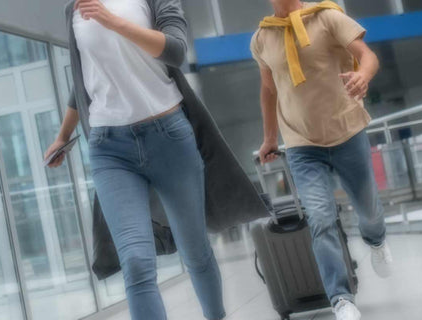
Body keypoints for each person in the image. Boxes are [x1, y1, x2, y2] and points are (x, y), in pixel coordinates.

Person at [46, 0, 268, 319]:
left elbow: (175, 51)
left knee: (195, 252)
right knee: (136, 262)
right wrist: (63, 135)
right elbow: (84, 76)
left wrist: (113, 22)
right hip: (109, 149)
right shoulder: (75, 9)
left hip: (169, 138)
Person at [251, 1, 393, 319]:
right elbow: (268, 89)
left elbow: (368, 56)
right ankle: (341, 298)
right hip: (302, 144)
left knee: (368, 209)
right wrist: (271, 138)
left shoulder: (327, 18)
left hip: (347, 132)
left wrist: (363, 76)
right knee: (320, 219)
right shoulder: (262, 38)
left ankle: (377, 239)